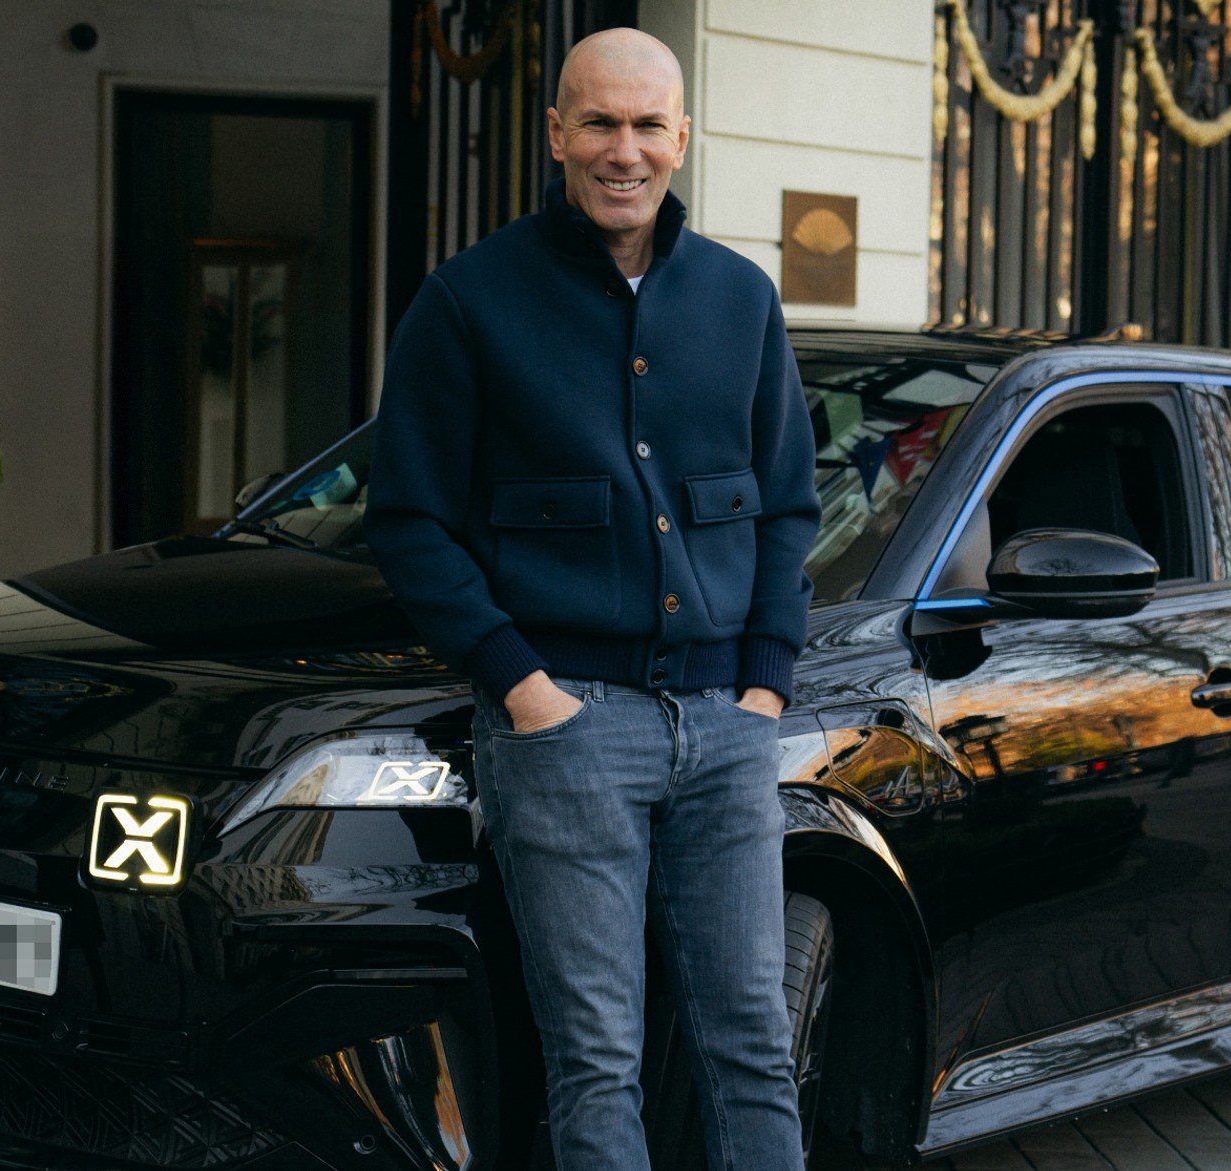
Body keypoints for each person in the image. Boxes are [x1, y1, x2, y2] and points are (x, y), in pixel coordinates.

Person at [363, 25, 820, 1170]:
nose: (626, 150)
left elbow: (787, 504)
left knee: (754, 1042)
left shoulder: (741, 299)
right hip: (566, 728)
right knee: (595, 1056)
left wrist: (766, 682)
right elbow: (409, 520)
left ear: (682, 137)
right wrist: (523, 688)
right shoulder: (468, 303)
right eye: (601, 123)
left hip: (727, 727)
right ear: (558, 132)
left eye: (648, 124)